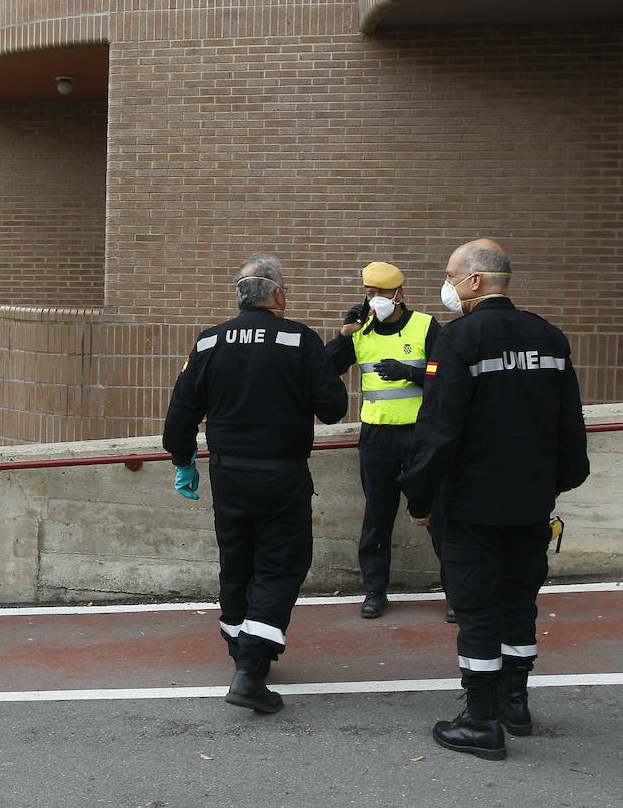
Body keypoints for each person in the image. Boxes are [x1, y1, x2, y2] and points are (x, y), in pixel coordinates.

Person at [400, 239, 589, 760]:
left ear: (475, 281)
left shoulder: (459, 340)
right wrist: (561, 482)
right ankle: (515, 702)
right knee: (518, 603)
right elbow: (569, 426)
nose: (448, 286)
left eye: (451, 276)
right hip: (530, 502)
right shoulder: (549, 338)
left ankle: (481, 720)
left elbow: (439, 430)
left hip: (471, 504)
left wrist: (418, 495)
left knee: (477, 608)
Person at [163, 252, 349, 714]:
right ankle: (251, 667)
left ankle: (239, 647)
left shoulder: (209, 343)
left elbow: (180, 415)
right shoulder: (300, 340)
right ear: (278, 296)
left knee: (237, 557)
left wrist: (183, 461)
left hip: (228, 473)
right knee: (281, 563)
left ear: (241, 297)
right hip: (282, 473)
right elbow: (334, 409)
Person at [324, 262, 444, 620]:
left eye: (381, 293)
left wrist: (412, 372)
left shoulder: (425, 326)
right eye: (369, 292)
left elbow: (447, 375)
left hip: (420, 437)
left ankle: (457, 590)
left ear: (400, 294)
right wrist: (345, 334)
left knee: (438, 512)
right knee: (377, 515)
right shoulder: (362, 330)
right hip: (377, 438)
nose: (375, 299)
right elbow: (324, 369)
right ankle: (375, 591)